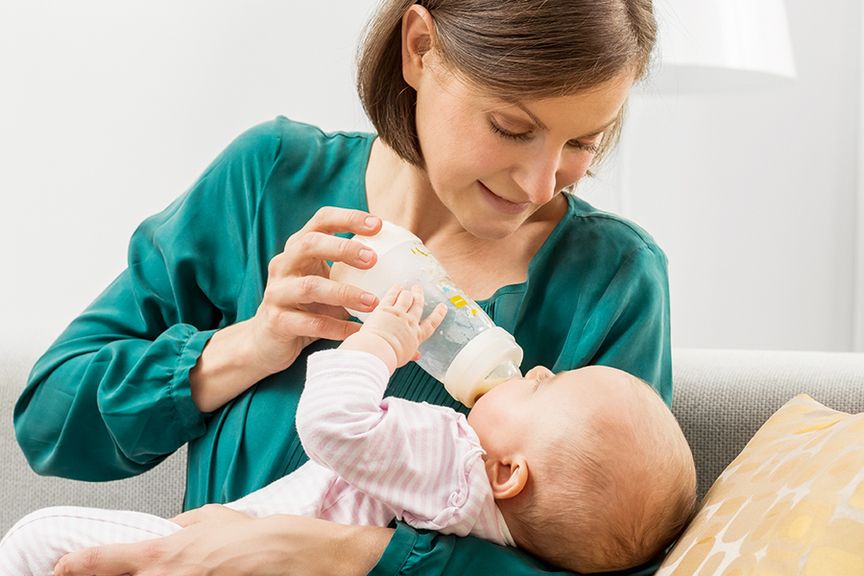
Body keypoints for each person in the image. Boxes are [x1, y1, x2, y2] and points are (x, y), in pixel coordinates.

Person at [15, 1, 671, 574]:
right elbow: (49, 421)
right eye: (511, 128)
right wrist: (252, 345)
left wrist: (339, 555)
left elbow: (615, 565)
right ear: (420, 50)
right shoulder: (271, 179)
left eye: (582, 144)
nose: (538, 183)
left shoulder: (610, 281)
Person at [4, 285, 696, 575]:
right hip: (217, 545)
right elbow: (48, 414)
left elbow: (332, 424)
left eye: (548, 388)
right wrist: (249, 344)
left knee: (36, 540)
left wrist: (381, 346)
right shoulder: (494, 513)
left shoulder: (454, 458)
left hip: (215, 558)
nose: (539, 369)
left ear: (508, 474)